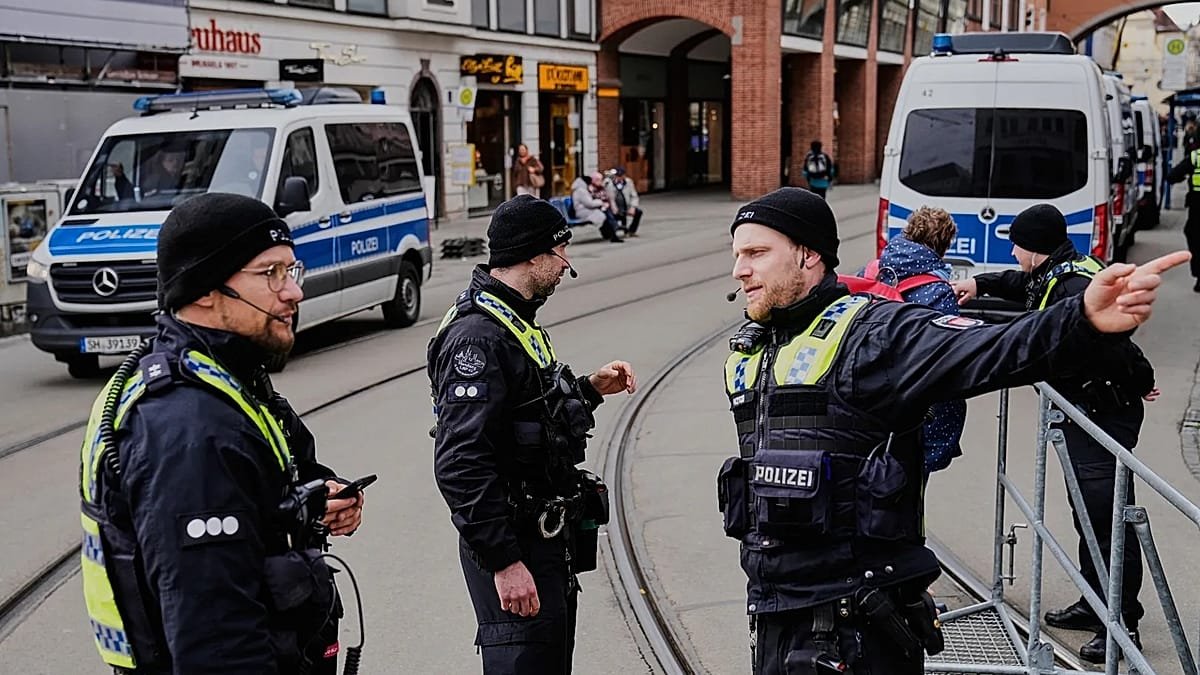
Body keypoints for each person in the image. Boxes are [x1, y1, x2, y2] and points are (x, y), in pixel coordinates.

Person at [718, 187, 1188, 674]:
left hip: (856, 627)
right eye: (737, 255)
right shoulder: (752, 353)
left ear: (808, 254)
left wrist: (1083, 319)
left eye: (756, 252)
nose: (739, 270)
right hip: (773, 617)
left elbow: (993, 348)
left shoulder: (876, 334)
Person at [79, 193, 365, 674]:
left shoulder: (228, 377)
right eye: (270, 273)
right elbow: (216, 643)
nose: (293, 292)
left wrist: (321, 495)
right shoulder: (189, 426)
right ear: (204, 291)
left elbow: (275, 473)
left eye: (291, 270)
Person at [429, 194, 637, 674]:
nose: (566, 265)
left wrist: (589, 389)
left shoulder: (512, 318)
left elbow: (530, 417)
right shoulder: (477, 337)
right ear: (532, 255)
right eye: (561, 252)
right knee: (524, 660)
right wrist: (504, 561)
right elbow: (461, 461)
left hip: (541, 538)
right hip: (515, 541)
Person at [950, 203, 1156, 662]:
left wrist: (1142, 379)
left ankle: (1122, 625)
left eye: (1016, 245)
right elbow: (1018, 283)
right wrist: (979, 284)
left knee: (1107, 519)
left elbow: (1113, 344)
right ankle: (1095, 601)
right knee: (1087, 513)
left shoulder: (1072, 286)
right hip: (1086, 410)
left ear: (1035, 247)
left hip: (1102, 414)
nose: (1013, 252)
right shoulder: (1057, 270)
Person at [872, 206, 966, 475]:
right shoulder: (937, 292)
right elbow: (948, 361)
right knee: (909, 484)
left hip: (869, 405)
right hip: (913, 413)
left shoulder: (873, 272)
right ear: (944, 244)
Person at [1164, 147, 1200, 292]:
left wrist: (1184, 177)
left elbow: (1172, 176)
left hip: (1197, 205)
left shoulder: (1195, 157)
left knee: (1195, 237)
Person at [114, 141, 187, 201]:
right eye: (170, 160)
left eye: (179, 159)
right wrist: (121, 178)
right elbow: (133, 199)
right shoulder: (154, 181)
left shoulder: (187, 178)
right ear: (162, 163)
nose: (175, 163)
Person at [570, 172, 623, 242]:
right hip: (583, 212)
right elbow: (589, 203)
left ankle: (611, 233)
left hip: (585, 210)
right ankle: (612, 233)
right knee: (602, 214)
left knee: (603, 213)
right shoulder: (581, 191)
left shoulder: (581, 189)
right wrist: (600, 202)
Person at [604, 167, 644, 237]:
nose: (619, 178)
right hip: (614, 207)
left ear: (624, 175)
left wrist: (633, 207)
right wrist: (613, 207)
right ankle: (611, 231)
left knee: (638, 212)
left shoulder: (629, 182)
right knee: (608, 214)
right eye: (617, 176)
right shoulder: (609, 183)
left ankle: (631, 231)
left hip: (626, 206)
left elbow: (634, 196)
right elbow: (610, 197)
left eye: (621, 176)